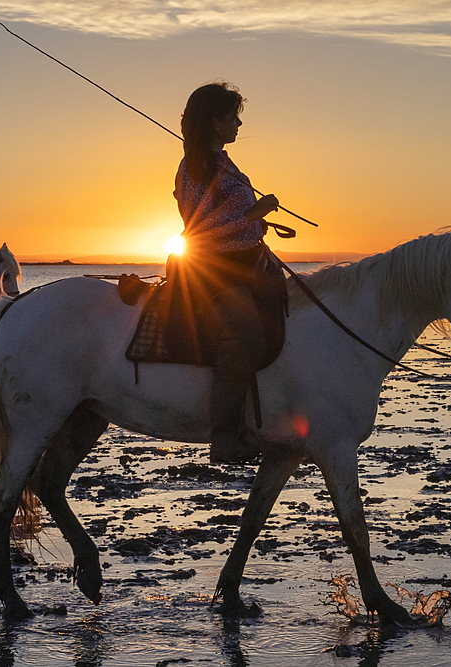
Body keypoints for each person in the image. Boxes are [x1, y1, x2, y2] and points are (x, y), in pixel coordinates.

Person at [174, 82, 280, 463]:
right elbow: (201, 230)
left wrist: (257, 227)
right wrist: (256, 212)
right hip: (213, 275)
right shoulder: (193, 166)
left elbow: (228, 220)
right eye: (232, 116)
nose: (238, 123)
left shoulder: (221, 161)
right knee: (245, 337)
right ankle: (223, 437)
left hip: (245, 266)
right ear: (215, 121)